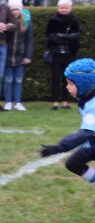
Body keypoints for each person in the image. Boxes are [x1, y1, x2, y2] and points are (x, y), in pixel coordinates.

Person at [40, 58, 95, 186]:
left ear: (84, 83)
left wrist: (60, 147)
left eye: (70, 83)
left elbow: (84, 134)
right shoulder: (87, 98)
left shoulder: (93, 105)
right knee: (73, 163)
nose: (67, 87)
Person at [46, 0, 81, 111]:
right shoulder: (53, 19)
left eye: (66, 8)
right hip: (56, 52)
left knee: (68, 78)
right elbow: (49, 34)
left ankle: (65, 101)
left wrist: (65, 37)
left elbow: (78, 33)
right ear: (58, 8)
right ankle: (55, 102)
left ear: (70, 8)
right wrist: (59, 38)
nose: (64, 10)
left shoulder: (74, 19)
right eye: (62, 8)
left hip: (69, 52)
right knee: (55, 78)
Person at [3, 0, 34, 111]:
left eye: (17, 9)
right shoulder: (6, 21)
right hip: (7, 56)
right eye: (12, 9)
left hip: (21, 56)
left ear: (20, 10)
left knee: (18, 80)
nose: (15, 12)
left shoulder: (26, 21)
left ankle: (17, 102)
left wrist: (28, 56)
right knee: (8, 80)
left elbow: (29, 40)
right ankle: (8, 102)